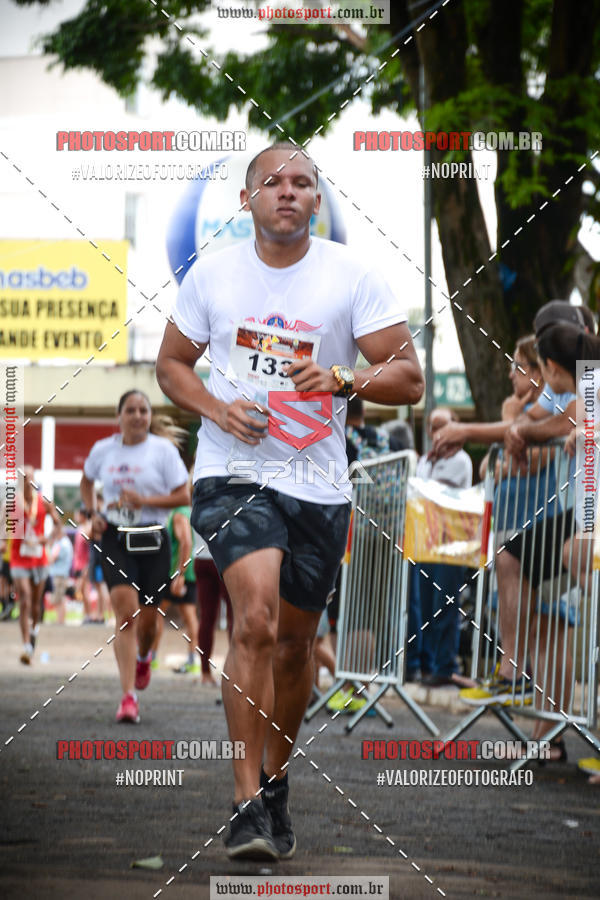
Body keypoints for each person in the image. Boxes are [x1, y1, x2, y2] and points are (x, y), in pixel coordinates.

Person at [156, 141, 424, 861]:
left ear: (317, 202)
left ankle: (275, 781)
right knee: (257, 620)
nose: (287, 191)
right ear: (247, 201)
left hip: (318, 482)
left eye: (302, 182)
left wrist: (341, 380)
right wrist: (215, 409)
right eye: (272, 181)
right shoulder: (212, 275)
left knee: (298, 644)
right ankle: (244, 802)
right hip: (234, 473)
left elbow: (408, 377)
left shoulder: (351, 276)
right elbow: (171, 365)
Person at [80, 390, 189, 724]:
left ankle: (145, 654)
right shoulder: (103, 450)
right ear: (120, 416)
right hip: (115, 537)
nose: (139, 415)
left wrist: (144, 500)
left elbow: (184, 494)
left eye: (144, 410)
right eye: (131, 410)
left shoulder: (163, 451)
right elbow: (86, 482)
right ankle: (128, 697)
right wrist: (93, 511)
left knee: (149, 617)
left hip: (153, 537)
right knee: (125, 613)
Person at [407, 408, 472, 686]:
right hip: (426, 541)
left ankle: (444, 666)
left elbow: (432, 493)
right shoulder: (425, 461)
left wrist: (425, 478)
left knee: (445, 604)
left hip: (452, 542)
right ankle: (427, 664)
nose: (436, 434)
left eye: (442, 426)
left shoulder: (461, 460)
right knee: (424, 603)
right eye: (432, 428)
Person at [10, 466, 61, 664]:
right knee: (25, 598)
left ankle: (34, 630)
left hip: (39, 558)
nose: (27, 482)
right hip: (18, 556)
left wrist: (47, 540)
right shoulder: (12, 502)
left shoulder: (44, 502)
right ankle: (26, 647)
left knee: (36, 604)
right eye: (24, 479)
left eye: (30, 478)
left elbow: (58, 525)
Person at [151, 493, 201, 675]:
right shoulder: (189, 511)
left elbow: (186, 542)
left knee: (155, 612)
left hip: (175, 572)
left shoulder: (179, 514)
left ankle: (152, 657)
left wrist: (179, 574)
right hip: (187, 571)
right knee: (189, 617)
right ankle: (192, 660)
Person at [193, 529, 233, 686]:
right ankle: (235, 671)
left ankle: (205, 673)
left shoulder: (195, 502)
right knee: (233, 617)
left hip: (201, 556)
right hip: (225, 557)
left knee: (206, 619)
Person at [48, 531, 74, 625]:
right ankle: (60, 620)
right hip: (62, 574)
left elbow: (52, 558)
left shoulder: (61, 544)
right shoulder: (66, 542)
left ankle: (60, 621)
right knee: (60, 598)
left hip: (58, 575)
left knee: (58, 599)